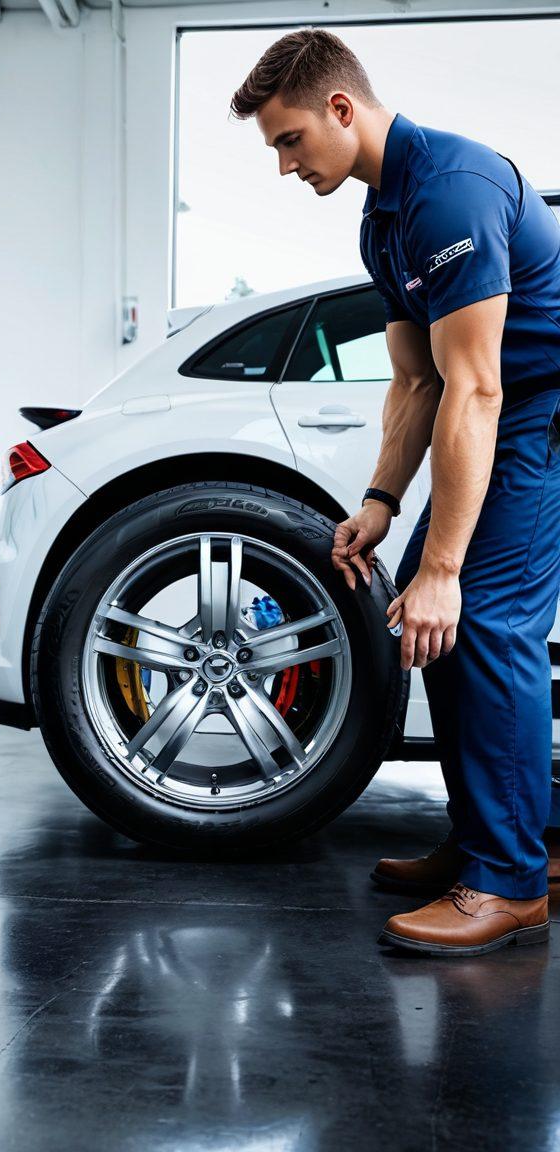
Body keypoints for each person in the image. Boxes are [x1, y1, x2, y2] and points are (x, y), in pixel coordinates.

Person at [230, 28, 560, 956]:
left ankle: (509, 883)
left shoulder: (451, 189)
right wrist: (379, 502)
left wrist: (446, 566)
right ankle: (495, 839)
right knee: (430, 620)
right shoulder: (385, 218)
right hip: (502, 408)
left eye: (290, 140)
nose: (285, 165)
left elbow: (478, 387)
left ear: (341, 108)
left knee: (481, 619)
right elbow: (417, 381)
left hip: (540, 411)